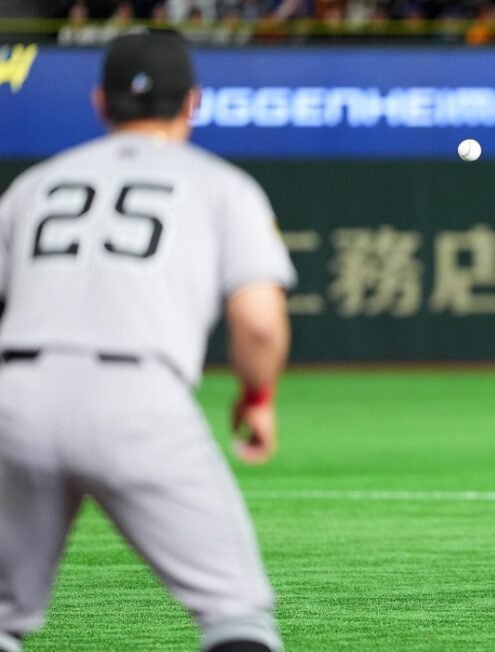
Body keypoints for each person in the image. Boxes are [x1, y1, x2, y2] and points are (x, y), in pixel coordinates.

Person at [0, 29, 295, 651]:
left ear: (99, 103)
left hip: (15, 397)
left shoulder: (34, 185)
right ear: (193, 102)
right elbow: (260, 322)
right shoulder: (221, 185)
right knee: (236, 616)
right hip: (137, 400)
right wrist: (257, 399)